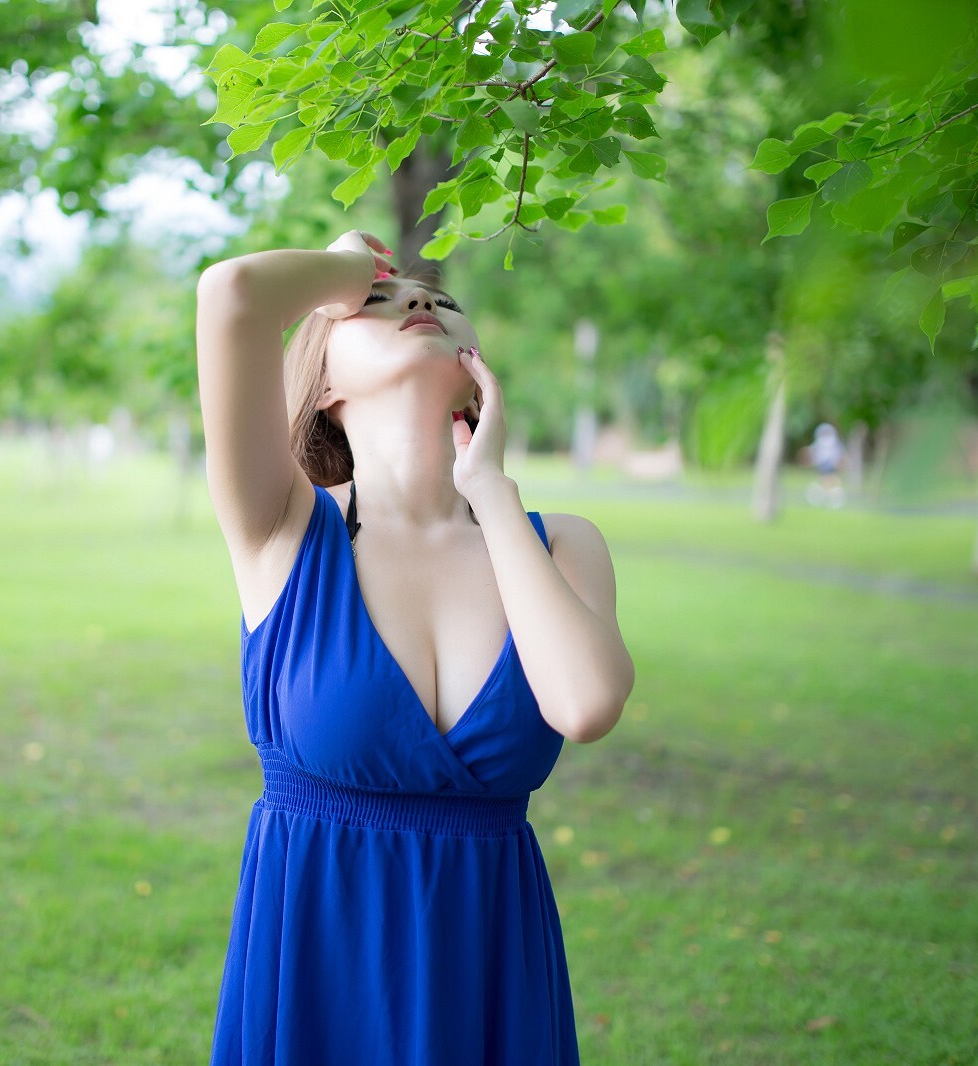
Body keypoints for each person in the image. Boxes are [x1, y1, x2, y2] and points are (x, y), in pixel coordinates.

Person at [195, 229, 634, 1065]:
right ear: (323, 384)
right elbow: (232, 296)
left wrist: (494, 496)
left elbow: (584, 705)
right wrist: (344, 269)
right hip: (321, 967)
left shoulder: (563, 544)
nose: (422, 301)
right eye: (385, 301)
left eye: (441, 300)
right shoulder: (283, 529)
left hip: (488, 969)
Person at [804, 422, 846, 509]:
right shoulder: (824, 441)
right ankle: (825, 498)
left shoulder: (830, 441)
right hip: (825, 464)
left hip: (828, 464)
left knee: (830, 482)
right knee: (829, 482)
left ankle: (830, 498)